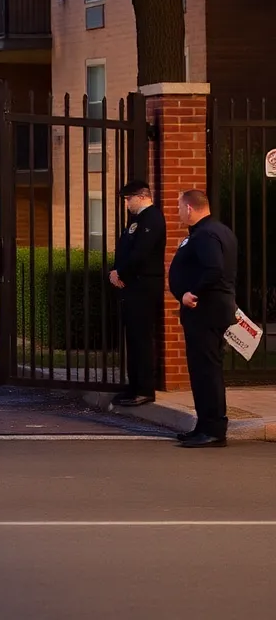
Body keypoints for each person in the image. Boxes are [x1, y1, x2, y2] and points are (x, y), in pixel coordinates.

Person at [167, 189, 238, 448]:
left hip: (205, 312)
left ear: (189, 209)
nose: (177, 212)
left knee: (206, 372)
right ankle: (205, 424)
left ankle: (214, 429)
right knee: (204, 371)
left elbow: (214, 268)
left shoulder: (206, 234)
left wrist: (191, 292)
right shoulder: (218, 231)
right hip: (209, 312)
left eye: (179, 207)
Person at [108, 180, 166, 407]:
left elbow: (141, 253)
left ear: (141, 196)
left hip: (144, 286)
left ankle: (144, 389)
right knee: (132, 338)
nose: (126, 203)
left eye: (128, 198)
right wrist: (117, 272)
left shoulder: (152, 218)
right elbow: (126, 249)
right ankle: (133, 386)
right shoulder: (137, 220)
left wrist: (120, 271)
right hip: (131, 286)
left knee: (141, 338)